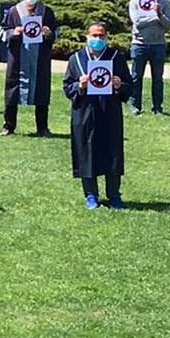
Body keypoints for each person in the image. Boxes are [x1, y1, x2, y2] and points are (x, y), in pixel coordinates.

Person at [64, 21, 132, 209]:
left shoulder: (116, 57)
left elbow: (129, 86)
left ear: (107, 37)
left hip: (109, 112)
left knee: (112, 153)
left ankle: (114, 194)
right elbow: (67, 88)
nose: (98, 39)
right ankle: (91, 195)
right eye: (94, 36)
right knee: (86, 152)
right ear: (87, 37)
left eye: (101, 36)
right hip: (85, 113)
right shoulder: (76, 59)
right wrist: (80, 85)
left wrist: (119, 86)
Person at [0, 0, 59, 136]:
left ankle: (42, 127)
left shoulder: (47, 12)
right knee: (12, 91)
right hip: (18, 58)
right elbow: (3, 31)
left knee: (42, 91)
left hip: (40, 58)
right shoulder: (13, 11)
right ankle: (8, 126)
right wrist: (14, 32)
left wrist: (48, 33)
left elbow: (56, 32)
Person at [126, 0, 170, 115]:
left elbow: (168, 25)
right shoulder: (135, 2)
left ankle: (158, 107)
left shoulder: (164, 3)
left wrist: (159, 14)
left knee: (158, 78)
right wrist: (156, 19)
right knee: (136, 77)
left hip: (158, 45)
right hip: (139, 44)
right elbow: (137, 23)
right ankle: (135, 106)